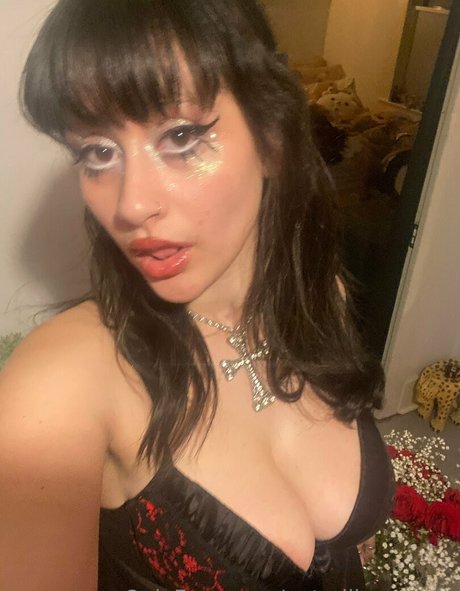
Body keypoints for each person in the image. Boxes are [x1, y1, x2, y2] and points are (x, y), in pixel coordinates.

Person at [0, 1, 395, 589]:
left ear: (272, 138)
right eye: (98, 151)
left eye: (180, 136)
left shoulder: (322, 297)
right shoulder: (59, 384)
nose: (131, 205)